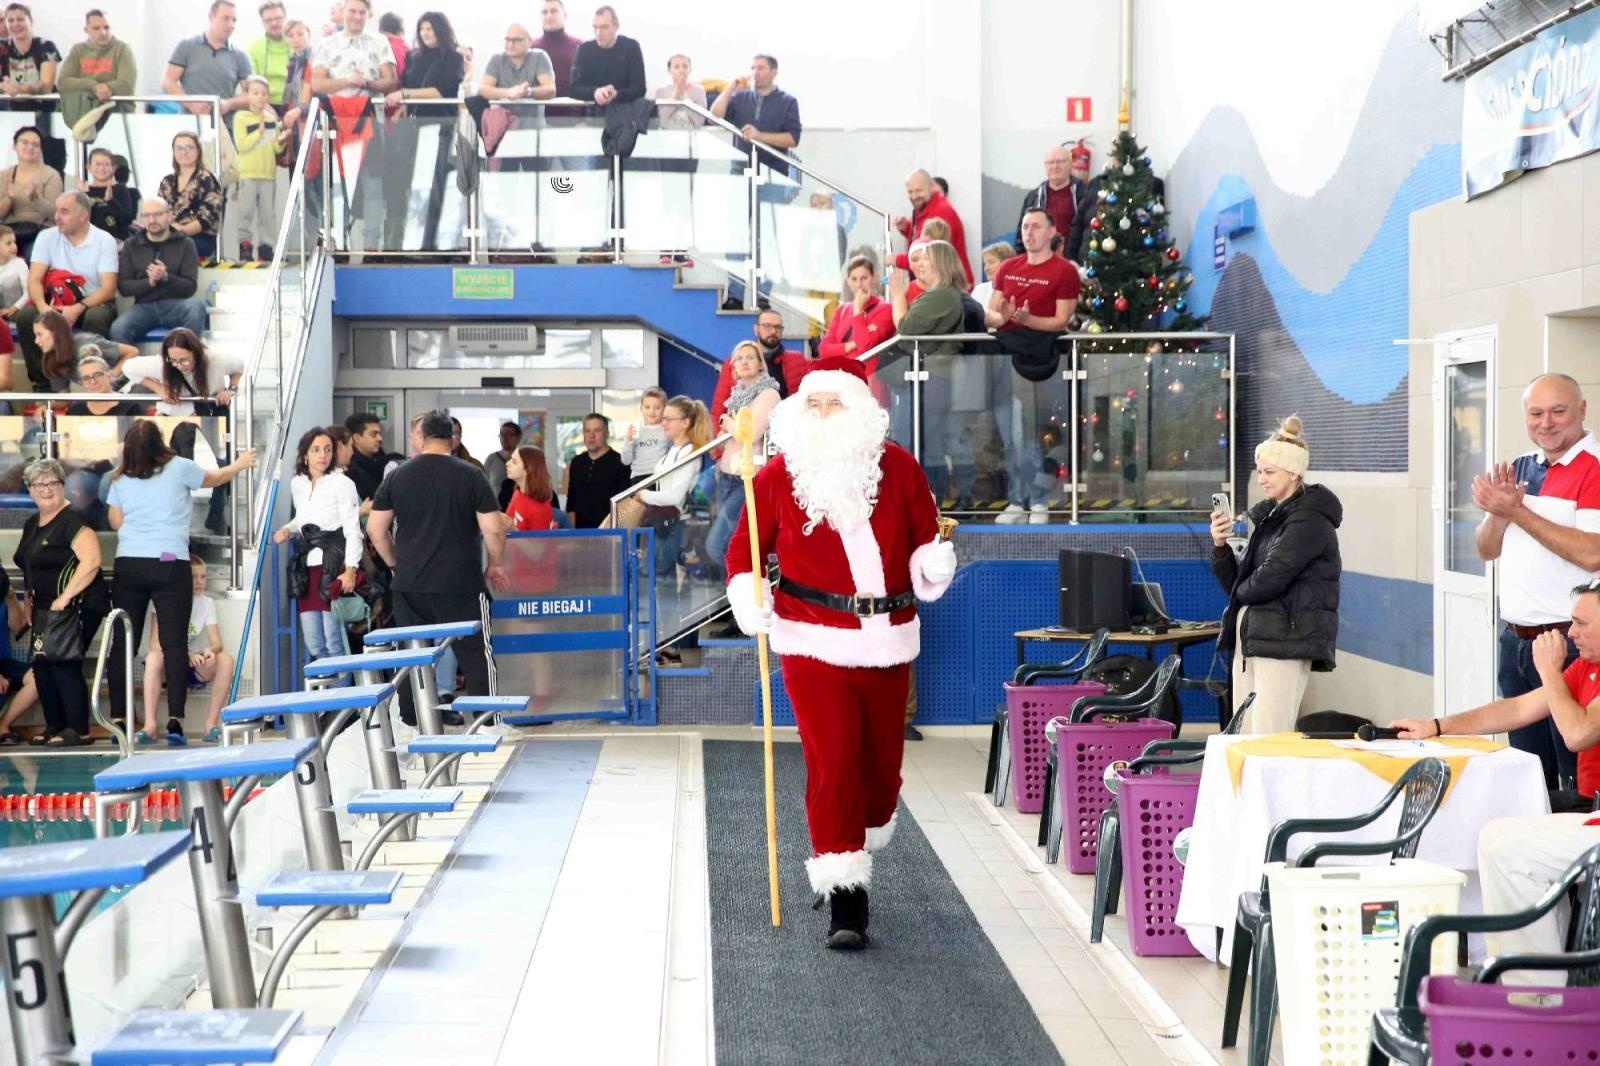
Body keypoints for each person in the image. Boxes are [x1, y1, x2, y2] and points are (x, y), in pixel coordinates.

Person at [724, 356, 956, 948]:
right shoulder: (777, 476)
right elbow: (742, 555)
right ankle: (846, 899)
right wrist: (750, 595)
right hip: (810, 641)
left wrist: (931, 565)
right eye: (814, 404)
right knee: (832, 764)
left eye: (836, 404)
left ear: (860, 410)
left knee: (880, 775)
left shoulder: (900, 469)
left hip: (887, 641)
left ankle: (857, 836)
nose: (825, 415)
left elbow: (925, 539)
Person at [1393, 577, 1600, 971]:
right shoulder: (1586, 668)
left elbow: (1576, 733)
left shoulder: (1571, 671)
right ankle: (1537, 974)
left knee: (1507, 847)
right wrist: (1438, 725)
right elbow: (1517, 710)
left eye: (1581, 624)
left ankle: (1536, 983)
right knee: (1495, 829)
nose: (1570, 633)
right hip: (1587, 808)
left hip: (1593, 813)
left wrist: (1549, 672)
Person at [1475, 373, 1600, 790]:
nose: (1546, 422)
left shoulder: (1594, 467)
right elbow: (1486, 549)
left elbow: (1592, 553)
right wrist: (1498, 512)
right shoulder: (1520, 467)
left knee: (1573, 782)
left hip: (1568, 643)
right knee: (1528, 779)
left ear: (1581, 411)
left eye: (1558, 412)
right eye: (1535, 413)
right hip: (1514, 642)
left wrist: (1519, 512)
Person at [106, 420, 255, 737]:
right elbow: (215, 478)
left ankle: (119, 717)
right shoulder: (179, 466)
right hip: (169, 562)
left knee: (123, 642)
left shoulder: (120, 478)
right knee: (173, 643)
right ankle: (175, 718)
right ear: (160, 443)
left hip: (129, 563)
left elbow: (116, 521)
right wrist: (240, 464)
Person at [367, 409, 508, 727]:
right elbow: (494, 529)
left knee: (411, 650)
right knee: (475, 650)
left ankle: (411, 716)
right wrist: (496, 564)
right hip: (462, 582)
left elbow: (376, 529)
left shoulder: (397, 476)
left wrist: (394, 564)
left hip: (410, 582)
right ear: (453, 439)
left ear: (420, 437)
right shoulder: (471, 475)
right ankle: (487, 718)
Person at [1208, 416, 1343, 732]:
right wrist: (1220, 547)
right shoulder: (1272, 520)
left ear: (1294, 473)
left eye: (1270, 472)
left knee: (1269, 736)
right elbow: (1240, 583)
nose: (1262, 480)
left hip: (1285, 642)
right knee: (1244, 735)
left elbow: (1266, 582)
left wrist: (1242, 588)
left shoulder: (1308, 523)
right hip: (1259, 639)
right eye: (1260, 472)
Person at [985, 207, 1077, 523]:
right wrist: (1006, 318)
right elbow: (990, 313)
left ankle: (1038, 501)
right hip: (1005, 356)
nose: (1029, 232)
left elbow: (1062, 320)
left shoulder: (1064, 271)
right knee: (1010, 434)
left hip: (1041, 360)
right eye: (1025, 226)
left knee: (1034, 433)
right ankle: (1016, 500)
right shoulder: (1008, 267)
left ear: (1051, 231)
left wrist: (1029, 320)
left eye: (1036, 226)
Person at [14, 458, 108, 747]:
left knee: (64, 664)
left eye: (52, 483)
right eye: (38, 484)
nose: (45, 489)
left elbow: (91, 561)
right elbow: (29, 564)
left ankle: (78, 730)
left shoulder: (74, 520)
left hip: (77, 604)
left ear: (62, 485)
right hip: (44, 607)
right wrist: (30, 602)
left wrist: (65, 598)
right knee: (43, 666)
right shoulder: (33, 523)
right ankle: (55, 726)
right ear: (29, 490)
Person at [273, 427, 363, 667]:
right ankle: (327, 698)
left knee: (334, 640)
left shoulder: (342, 483)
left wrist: (351, 568)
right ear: (305, 455)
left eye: (327, 449)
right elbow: (304, 517)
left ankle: (344, 700)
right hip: (306, 567)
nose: (322, 455)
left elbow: (353, 529)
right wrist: (288, 529)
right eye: (316, 450)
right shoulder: (298, 484)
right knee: (314, 642)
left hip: (332, 565)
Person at [311, 0, 397, 248]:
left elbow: (390, 81)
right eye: (352, 11)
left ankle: (371, 245)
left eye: (362, 12)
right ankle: (337, 243)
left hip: (369, 119)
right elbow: (317, 84)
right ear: (343, 12)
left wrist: (366, 83)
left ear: (368, 14)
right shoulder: (326, 45)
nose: (357, 16)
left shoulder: (379, 42)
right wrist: (345, 81)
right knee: (337, 185)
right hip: (334, 122)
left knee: (372, 184)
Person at [891, 240, 971, 506]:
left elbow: (906, 329)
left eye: (926, 259)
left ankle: (927, 501)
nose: (919, 265)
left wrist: (898, 296)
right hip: (930, 376)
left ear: (941, 263)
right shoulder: (942, 294)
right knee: (927, 441)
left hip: (933, 378)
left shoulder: (941, 295)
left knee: (922, 442)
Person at [17, 191, 118, 391]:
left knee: (97, 318)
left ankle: (94, 381)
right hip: (54, 303)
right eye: (57, 211)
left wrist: (78, 307)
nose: (57, 217)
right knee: (26, 317)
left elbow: (108, 288)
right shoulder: (46, 237)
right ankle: (44, 384)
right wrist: (43, 307)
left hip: (93, 303)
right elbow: (34, 279)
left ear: (83, 216)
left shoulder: (104, 240)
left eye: (64, 212)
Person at [382, 11, 462, 250]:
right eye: (422, 29)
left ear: (441, 30)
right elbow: (409, 85)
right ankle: (405, 243)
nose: (426, 34)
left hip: (439, 127)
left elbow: (440, 91)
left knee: (434, 186)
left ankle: (432, 243)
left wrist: (404, 96)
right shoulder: (414, 56)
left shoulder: (453, 58)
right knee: (406, 186)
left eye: (430, 29)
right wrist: (404, 106)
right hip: (413, 128)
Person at [639, 395, 709, 665]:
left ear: (686, 422)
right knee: (663, 586)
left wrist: (643, 495)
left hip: (672, 525)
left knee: (659, 583)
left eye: (669, 418)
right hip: (662, 524)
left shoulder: (690, 453)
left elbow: (674, 496)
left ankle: (664, 645)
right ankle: (666, 646)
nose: (663, 422)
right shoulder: (672, 451)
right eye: (663, 417)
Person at [140, 556, 235, 745]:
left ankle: (210, 724)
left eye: (203, 577)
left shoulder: (207, 603)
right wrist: (183, 655)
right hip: (170, 665)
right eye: (193, 577)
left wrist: (209, 651)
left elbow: (217, 643)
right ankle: (149, 725)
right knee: (153, 658)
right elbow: (155, 644)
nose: (199, 582)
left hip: (193, 666)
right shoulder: (163, 600)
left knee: (225, 660)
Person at [705, 344, 780, 583]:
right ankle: (740, 606)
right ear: (733, 367)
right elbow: (727, 439)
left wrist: (726, 421)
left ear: (761, 363)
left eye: (751, 357)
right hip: (727, 476)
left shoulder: (768, 394)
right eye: (739, 358)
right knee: (731, 546)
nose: (745, 362)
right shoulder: (737, 395)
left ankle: (753, 595)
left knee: (718, 547)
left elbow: (748, 433)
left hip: (748, 479)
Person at [110, 198, 207, 344]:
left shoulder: (186, 243)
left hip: (176, 305)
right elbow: (124, 287)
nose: (152, 220)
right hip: (143, 307)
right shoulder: (131, 245)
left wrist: (166, 277)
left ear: (170, 215)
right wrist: (149, 282)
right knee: (118, 328)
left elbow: (190, 287)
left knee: (196, 306)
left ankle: (188, 359)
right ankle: (132, 365)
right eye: (147, 216)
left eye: (157, 214)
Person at [708, 53, 800, 174]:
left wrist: (759, 136)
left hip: (773, 174)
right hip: (740, 172)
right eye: (753, 68)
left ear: (774, 72)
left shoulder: (788, 102)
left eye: (760, 68)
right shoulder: (740, 97)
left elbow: (793, 139)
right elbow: (713, 117)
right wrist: (731, 87)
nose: (755, 72)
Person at [232, 76, 290, 262]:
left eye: (264, 94)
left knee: (267, 214)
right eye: (256, 93)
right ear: (247, 95)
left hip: (268, 174)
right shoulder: (241, 117)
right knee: (246, 212)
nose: (260, 97)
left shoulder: (271, 119)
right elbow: (242, 145)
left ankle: (266, 246)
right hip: (248, 173)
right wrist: (259, 132)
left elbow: (275, 148)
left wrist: (282, 141)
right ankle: (245, 245)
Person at [119, 328, 243, 416]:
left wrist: (232, 389)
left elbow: (239, 366)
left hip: (208, 417)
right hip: (172, 417)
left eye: (184, 360)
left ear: (196, 354)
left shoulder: (215, 359)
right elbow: (127, 367)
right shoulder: (162, 363)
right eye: (173, 360)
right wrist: (158, 388)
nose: (179, 366)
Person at [162, 0, 253, 116]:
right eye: (225, 18)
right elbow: (168, 82)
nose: (231, 25)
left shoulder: (241, 56)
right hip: (190, 125)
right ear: (211, 17)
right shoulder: (187, 45)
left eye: (234, 20)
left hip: (224, 127)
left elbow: (251, 95)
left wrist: (228, 104)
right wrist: (191, 104)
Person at [711, 309, 795, 427]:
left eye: (778, 327)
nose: (773, 331)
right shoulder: (735, 361)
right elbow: (719, 406)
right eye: (767, 326)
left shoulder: (795, 360)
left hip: (782, 434)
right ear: (756, 329)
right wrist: (720, 441)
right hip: (739, 437)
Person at [57, 10, 137, 131]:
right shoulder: (78, 50)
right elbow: (63, 82)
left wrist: (97, 88)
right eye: (96, 28)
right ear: (86, 30)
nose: (103, 32)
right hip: (83, 116)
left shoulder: (122, 49)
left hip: (117, 116)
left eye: (106, 27)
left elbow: (126, 85)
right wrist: (93, 86)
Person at [894, 169, 972, 284]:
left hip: (949, 284)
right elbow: (923, 237)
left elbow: (931, 256)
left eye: (918, 191)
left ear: (932, 186)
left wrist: (896, 259)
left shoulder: (941, 211)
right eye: (910, 192)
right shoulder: (926, 206)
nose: (914, 196)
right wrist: (907, 228)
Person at [159, 131, 224, 261]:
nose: (184, 152)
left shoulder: (206, 179)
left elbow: (206, 219)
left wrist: (180, 231)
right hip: (169, 234)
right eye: (179, 148)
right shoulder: (167, 181)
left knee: (169, 246)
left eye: (189, 148)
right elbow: (158, 212)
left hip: (199, 239)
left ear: (198, 151)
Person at [30, 309, 131, 394]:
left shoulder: (86, 344)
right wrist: (47, 407)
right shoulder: (52, 359)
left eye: (40, 334)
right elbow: (64, 399)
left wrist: (111, 376)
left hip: (126, 388)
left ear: (56, 333)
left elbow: (132, 352)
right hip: (96, 395)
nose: (36, 341)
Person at [0, 125, 61, 259]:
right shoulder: (4, 175)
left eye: (35, 145)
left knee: (34, 259)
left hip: (39, 232)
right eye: (24, 142)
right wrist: (9, 199)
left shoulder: (51, 174)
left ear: (40, 150)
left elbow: (55, 214)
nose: (30, 147)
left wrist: (36, 198)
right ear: (15, 146)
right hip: (8, 232)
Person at [569, 6, 645, 108]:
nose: (599, 33)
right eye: (595, 27)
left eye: (604, 27)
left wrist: (616, 94)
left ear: (616, 26)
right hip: (593, 115)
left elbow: (639, 88)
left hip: (625, 114)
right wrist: (595, 92)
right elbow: (573, 89)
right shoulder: (584, 49)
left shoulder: (631, 47)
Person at [564, 412, 631, 528]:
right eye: (587, 431)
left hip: (610, 535)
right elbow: (571, 503)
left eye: (597, 430)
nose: (591, 435)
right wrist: (572, 535)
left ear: (607, 434)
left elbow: (625, 505)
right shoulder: (577, 462)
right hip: (581, 536)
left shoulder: (620, 462)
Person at [1015, 145, 1081, 255]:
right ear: (1045, 166)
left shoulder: (1083, 194)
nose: (1055, 166)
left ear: (1070, 164)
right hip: (1039, 260)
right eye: (1051, 162)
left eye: (1060, 162)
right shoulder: (1033, 197)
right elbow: (1021, 233)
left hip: (1073, 261)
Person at [479, 23, 554, 105]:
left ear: (529, 41)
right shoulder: (496, 59)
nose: (510, 45)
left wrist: (527, 91)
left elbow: (550, 90)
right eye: (507, 40)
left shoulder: (539, 57)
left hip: (531, 116)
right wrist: (508, 93)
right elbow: (483, 89)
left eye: (516, 40)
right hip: (501, 116)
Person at [0, 4, 58, 109]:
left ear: (31, 21)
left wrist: (19, 89)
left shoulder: (47, 46)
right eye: (10, 20)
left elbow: (46, 86)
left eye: (20, 19)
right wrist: (4, 87)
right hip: (10, 111)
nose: (15, 24)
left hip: (44, 110)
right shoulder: (2, 47)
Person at [78, 148, 136, 241]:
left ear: (113, 168)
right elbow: (79, 221)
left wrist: (111, 201)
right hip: (90, 240)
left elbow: (127, 220)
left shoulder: (120, 189)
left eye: (106, 164)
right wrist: (83, 196)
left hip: (117, 239)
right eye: (98, 164)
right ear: (88, 167)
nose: (102, 168)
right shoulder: (84, 191)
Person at [344, 411, 401, 504]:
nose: (380, 438)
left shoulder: (387, 462)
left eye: (379, 434)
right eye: (373, 434)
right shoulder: (349, 470)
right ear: (357, 438)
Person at [530, 0, 582, 99]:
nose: (549, 16)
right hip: (537, 110)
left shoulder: (579, 46)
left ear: (565, 15)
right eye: (545, 12)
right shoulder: (531, 47)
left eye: (554, 11)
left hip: (572, 109)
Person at [65, 351, 138, 415]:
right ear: (81, 383)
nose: (93, 382)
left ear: (109, 375)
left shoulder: (131, 407)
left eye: (97, 375)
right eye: (86, 378)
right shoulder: (75, 410)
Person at [621, 387, 669, 484]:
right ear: (641, 409)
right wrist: (628, 441)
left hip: (660, 476)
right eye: (647, 407)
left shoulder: (667, 429)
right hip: (638, 477)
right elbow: (626, 461)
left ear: (665, 409)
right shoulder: (635, 430)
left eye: (657, 408)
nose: (652, 411)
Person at [504, 445, 557, 531]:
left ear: (528, 469)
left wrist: (513, 529)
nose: (507, 463)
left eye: (514, 462)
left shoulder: (540, 510)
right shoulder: (518, 493)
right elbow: (507, 521)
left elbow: (540, 544)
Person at [247, 1, 291, 104]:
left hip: (295, 105)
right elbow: (252, 87)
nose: (274, 23)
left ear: (285, 19)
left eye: (278, 18)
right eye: (268, 20)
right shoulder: (254, 49)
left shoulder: (298, 45)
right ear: (262, 23)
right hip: (264, 106)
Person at [653, 54, 705, 129]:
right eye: (676, 67)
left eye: (685, 66)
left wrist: (684, 96)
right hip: (668, 136)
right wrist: (676, 95)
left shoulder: (699, 90)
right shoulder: (661, 91)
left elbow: (699, 121)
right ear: (669, 70)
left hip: (692, 136)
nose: (681, 70)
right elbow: (660, 121)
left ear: (690, 70)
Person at [484, 421, 523, 508]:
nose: (505, 438)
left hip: (520, 510)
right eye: (502, 435)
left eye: (510, 434)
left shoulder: (524, 458)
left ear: (518, 438)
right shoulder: (491, 458)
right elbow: (483, 485)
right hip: (496, 510)